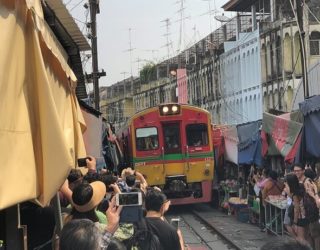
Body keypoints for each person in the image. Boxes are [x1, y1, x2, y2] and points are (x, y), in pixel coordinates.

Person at [284, 174, 308, 244]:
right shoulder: (300, 187)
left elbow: (296, 209)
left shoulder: (295, 194)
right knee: (306, 237)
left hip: (300, 217)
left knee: (301, 238)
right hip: (305, 215)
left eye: (286, 183)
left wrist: (295, 223)